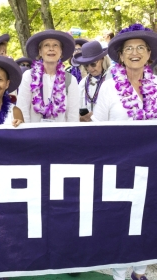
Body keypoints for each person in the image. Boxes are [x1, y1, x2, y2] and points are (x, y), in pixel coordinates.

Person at [92, 23, 157, 280]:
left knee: (149, 217)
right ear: (120, 55)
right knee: (120, 220)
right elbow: (96, 128)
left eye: (141, 47)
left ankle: (140, 271)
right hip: (118, 167)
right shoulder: (108, 87)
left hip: (151, 166)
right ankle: (119, 273)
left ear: (149, 54)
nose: (135, 52)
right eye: (129, 48)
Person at [16, 29, 80, 123]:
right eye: (46, 45)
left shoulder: (70, 80)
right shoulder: (29, 76)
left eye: (55, 45)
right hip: (34, 135)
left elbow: (73, 117)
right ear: (40, 52)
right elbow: (22, 111)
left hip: (61, 136)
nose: (51, 49)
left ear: (61, 52)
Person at [73, 40, 112, 122]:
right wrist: (80, 118)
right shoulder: (83, 83)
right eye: (86, 65)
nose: (90, 68)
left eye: (93, 64)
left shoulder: (113, 78)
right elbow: (75, 108)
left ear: (102, 59)